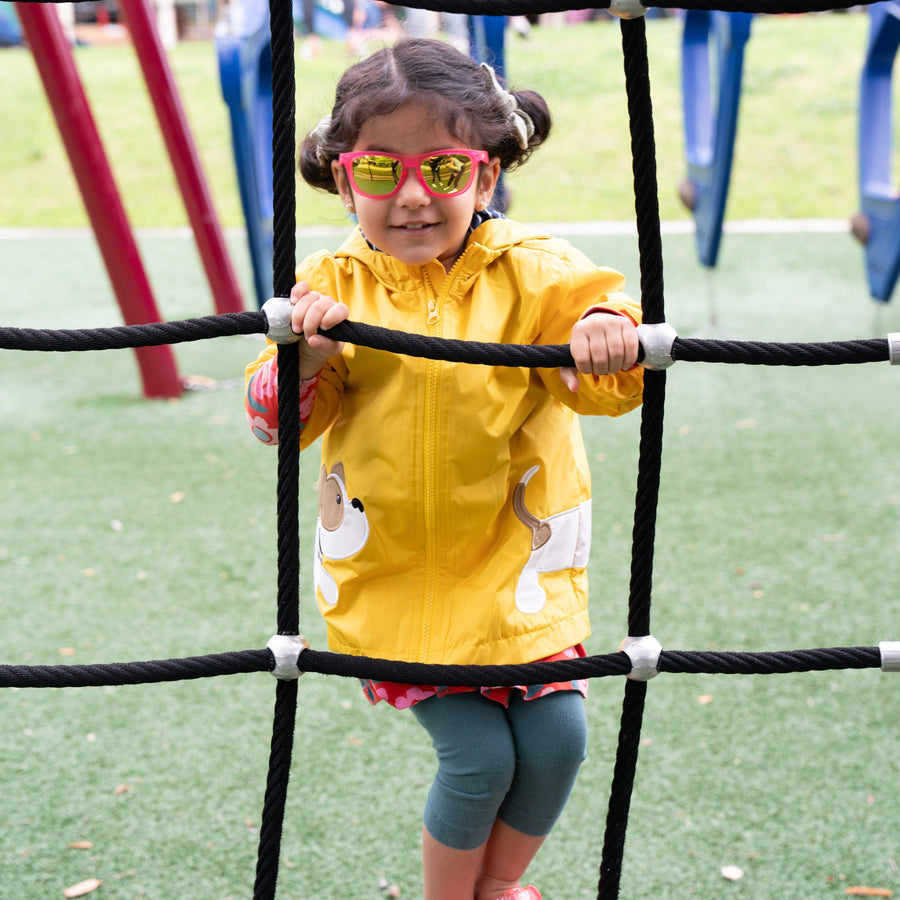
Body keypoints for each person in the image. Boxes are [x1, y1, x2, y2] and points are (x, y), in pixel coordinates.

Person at [245, 38, 644, 900]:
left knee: (559, 742)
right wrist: (305, 357)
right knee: (475, 757)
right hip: (398, 582)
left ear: (488, 175)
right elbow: (273, 420)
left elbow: (613, 382)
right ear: (346, 179)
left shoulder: (539, 274)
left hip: (518, 572)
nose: (415, 196)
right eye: (381, 172)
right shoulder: (331, 284)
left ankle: (496, 887)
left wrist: (608, 330)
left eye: (445, 168)